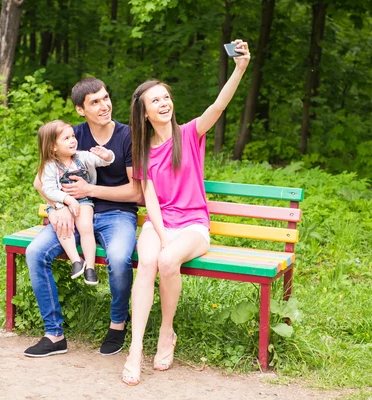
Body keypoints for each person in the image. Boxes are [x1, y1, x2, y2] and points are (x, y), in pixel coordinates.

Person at [121, 39, 250, 385]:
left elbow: (218, 106)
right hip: (160, 223)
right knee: (147, 262)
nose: (164, 103)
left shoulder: (190, 133)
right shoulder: (141, 150)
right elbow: (150, 200)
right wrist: (161, 235)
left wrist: (240, 67)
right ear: (144, 112)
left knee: (166, 262)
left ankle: (166, 331)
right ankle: (135, 350)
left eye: (166, 97)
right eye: (155, 100)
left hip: (193, 225)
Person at [24, 77, 142, 358]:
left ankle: (117, 324)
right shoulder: (71, 136)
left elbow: (137, 192)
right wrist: (59, 205)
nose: (105, 105)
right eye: (95, 102)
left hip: (117, 213)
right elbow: (40, 183)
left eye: (106, 97)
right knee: (35, 252)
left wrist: (91, 189)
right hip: (75, 212)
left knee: (118, 257)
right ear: (81, 109)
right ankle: (54, 335)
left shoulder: (128, 136)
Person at [37, 120, 115, 285]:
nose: (73, 140)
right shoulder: (50, 166)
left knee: (86, 227)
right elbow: (48, 189)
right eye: (66, 138)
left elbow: (103, 161)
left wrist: (107, 155)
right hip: (59, 205)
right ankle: (76, 261)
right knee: (63, 227)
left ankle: (90, 268)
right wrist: (66, 200)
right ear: (53, 147)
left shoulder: (82, 157)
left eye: (73, 136)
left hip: (84, 201)